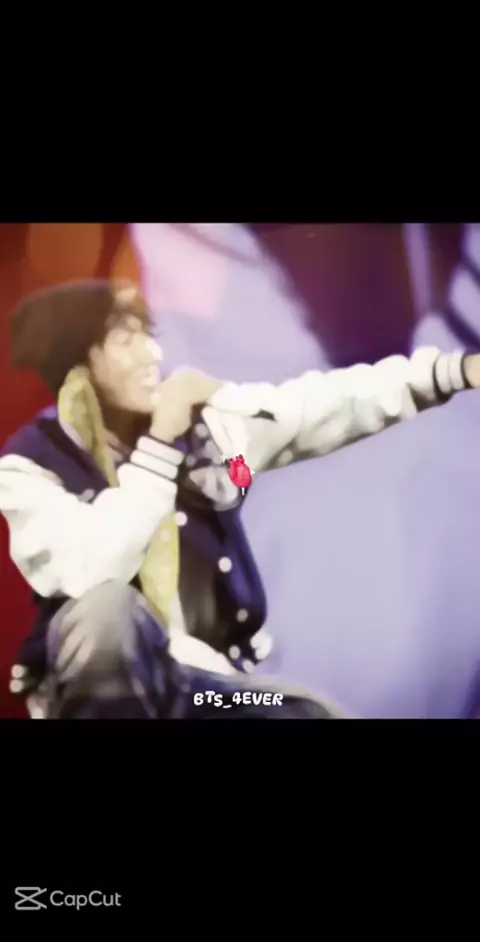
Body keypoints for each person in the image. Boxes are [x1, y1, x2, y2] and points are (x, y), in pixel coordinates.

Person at [0, 279, 479, 719]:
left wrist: (451, 371)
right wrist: (160, 445)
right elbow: (95, 570)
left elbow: (319, 404)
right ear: (76, 362)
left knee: (304, 711)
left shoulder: (205, 428)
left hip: (203, 690)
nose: (152, 354)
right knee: (107, 610)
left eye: (149, 335)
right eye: (125, 340)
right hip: (99, 687)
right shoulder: (28, 467)